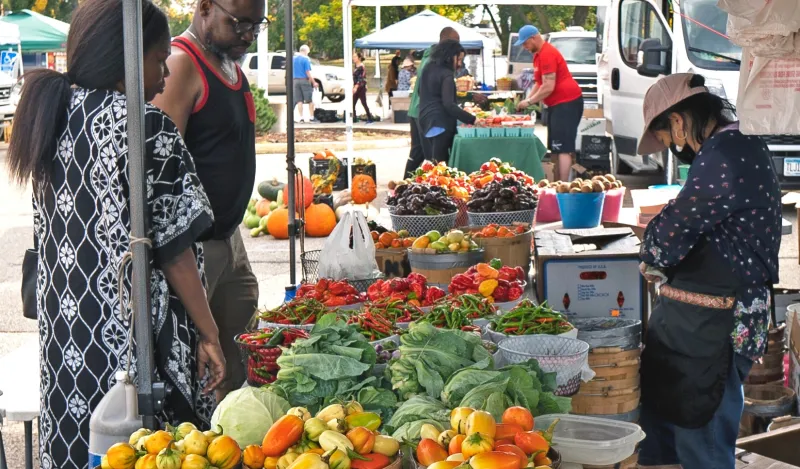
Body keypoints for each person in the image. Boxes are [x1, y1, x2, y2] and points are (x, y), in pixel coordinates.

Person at [5, 1, 226, 467]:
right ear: (122, 57)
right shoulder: (145, 127)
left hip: (68, 338)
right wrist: (209, 333)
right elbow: (176, 252)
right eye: (158, 57)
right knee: (142, 451)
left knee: (78, 444)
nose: (166, 72)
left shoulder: (54, 114)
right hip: (132, 348)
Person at [636, 73, 781, 469]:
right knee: (675, 429)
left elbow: (672, 230)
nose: (670, 148)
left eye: (666, 139)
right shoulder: (732, 145)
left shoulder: (726, 152)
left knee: (704, 439)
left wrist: (652, 251)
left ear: (678, 121)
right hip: (700, 320)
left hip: (718, 324)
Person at [152, 0, 265, 401]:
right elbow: (159, 167)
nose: (248, 36)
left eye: (256, 25)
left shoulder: (229, 63)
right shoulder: (183, 64)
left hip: (229, 239)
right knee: (204, 368)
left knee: (238, 358)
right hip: (195, 248)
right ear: (204, 8)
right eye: (239, 24)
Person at [515, 25, 584, 182]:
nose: (524, 48)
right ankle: (557, 181)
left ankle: (563, 185)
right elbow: (539, 83)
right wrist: (525, 101)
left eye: (525, 43)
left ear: (533, 38)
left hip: (567, 103)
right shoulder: (538, 56)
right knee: (555, 146)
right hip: (556, 105)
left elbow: (548, 86)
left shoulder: (547, 54)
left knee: (563, 147)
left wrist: (530, 101)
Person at [405, 27, 460, 177]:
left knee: (418, 153)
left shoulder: (431, 55)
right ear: (446, 41)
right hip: (423, 112)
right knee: (430, 158)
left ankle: (403, 188)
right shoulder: (433, 60)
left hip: (418, 111)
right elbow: (429, 90)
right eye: (455, 42)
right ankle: (405, 188)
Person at [417, 40, 477, 162]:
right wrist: (473, 119)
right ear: (450, 57)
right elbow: (449, 105)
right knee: (440, 165)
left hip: (424, 120)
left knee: (432, 163)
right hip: (441, 123)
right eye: (458, 59)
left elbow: (420, 91)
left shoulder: (428, 67)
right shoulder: (447, 75)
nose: (459, 64)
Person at [293, 45, 318, 123]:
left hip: (295, 81)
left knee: (299, 100)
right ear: (305, 51)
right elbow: (308, 72)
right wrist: (314, 82)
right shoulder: (305, 60)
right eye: (308, 52)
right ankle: (311, 117)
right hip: (304, 80)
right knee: (310, 100)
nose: (308, 54)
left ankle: (301, 117)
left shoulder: (293, 59)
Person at [353, 52, 373, 123]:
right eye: (353, 57)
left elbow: (360, 78)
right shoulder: (356, 65)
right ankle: (354, 118)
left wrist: (356, 87)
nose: (353, 58)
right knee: (352, 103)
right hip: (356, 87)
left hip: (360, 87)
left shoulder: (361, 66)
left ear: (359, 58)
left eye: (355, 57)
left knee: (363, 103)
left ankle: (370, 118)